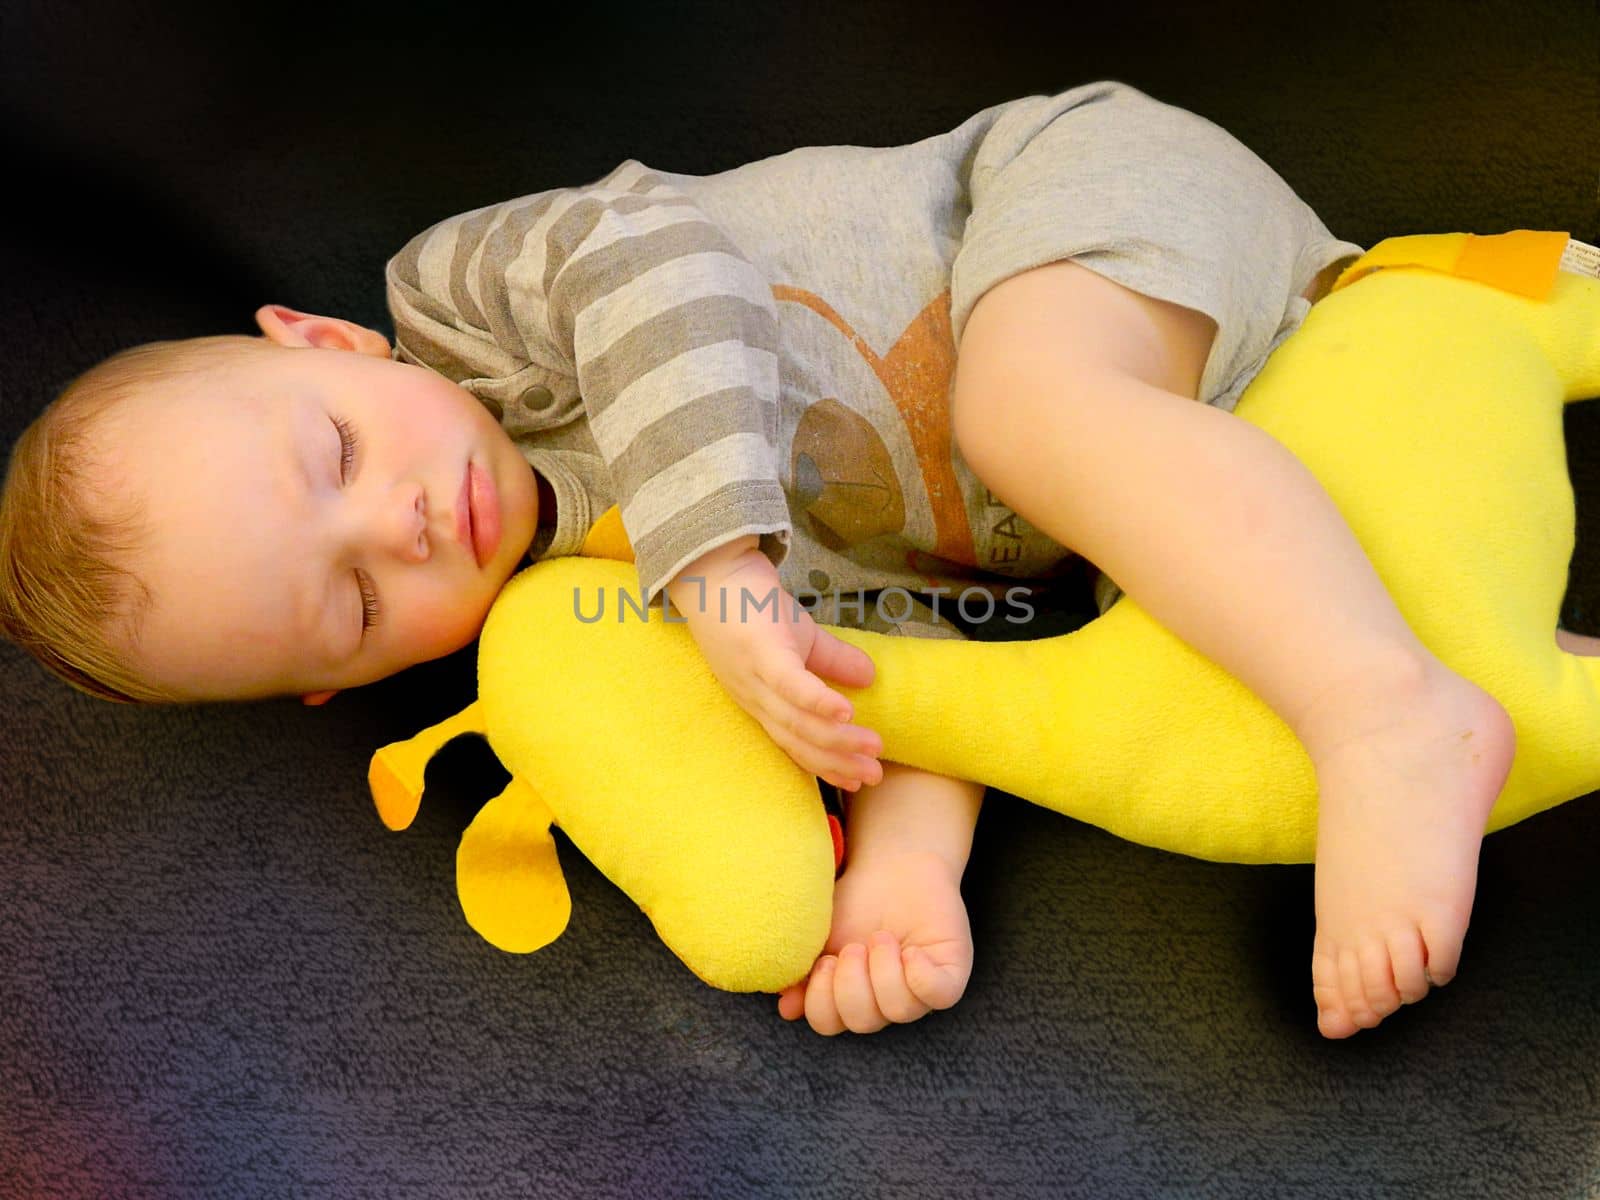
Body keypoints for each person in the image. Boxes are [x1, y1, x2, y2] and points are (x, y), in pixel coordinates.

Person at [0, 79, 1545, 1044]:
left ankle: (1383, 713)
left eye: (334, 451)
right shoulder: (592, 623)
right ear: (356, 686)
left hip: (1066, 210)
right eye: (349, 603)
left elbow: (656, 257)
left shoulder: (470, 306)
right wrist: (903, 877)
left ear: (328, 340)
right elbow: (926, 652)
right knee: (1131, 633)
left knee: (1026, 403)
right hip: (1181, 445)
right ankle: (1406, 669)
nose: (397, 523)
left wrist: (721, 568)